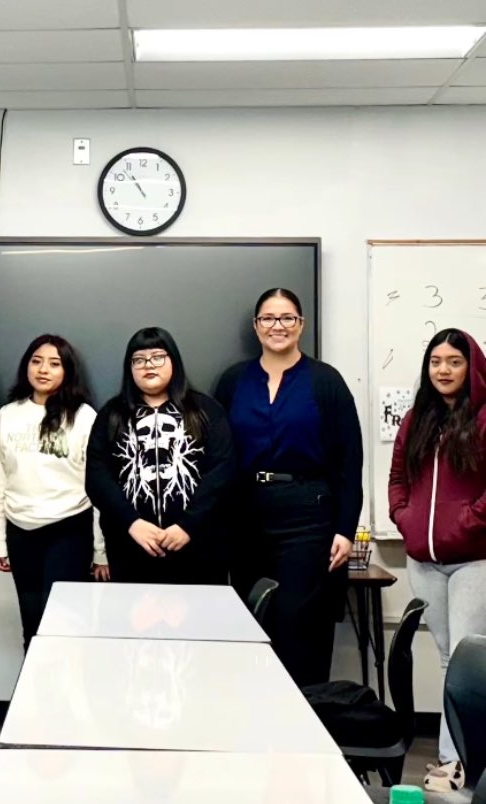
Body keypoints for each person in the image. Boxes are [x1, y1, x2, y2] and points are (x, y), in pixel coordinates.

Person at [215, 288, 362, 688]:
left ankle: (305, 735)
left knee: (301, 626)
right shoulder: (233, 381)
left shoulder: (325, 381)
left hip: (308, 516)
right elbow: (218, 455)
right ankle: (254, 727)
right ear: (256, 326)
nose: (277, 326)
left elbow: (350, 461)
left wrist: (345, 529)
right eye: (268, 318)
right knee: (252, 622)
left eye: (286, 318)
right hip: (246, 517)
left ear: (301, 324)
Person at [389, 328, 486, 794]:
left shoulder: (485, 418)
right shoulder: (417, 419)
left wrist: (464, 524)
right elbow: (397, 479)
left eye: (453, 362)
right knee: (448, 658)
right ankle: (455, 761)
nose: (443, 370)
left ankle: (460, 762)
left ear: (472, 368)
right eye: (435, 362)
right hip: (422, 561)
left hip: (473, 559)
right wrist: (404, 520)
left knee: (467, 661)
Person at [0, 334, 108, 650]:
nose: (43, 370)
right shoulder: (8, 415)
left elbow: (98, 487)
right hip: (20, 531)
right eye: (36, 361)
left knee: (63, 627)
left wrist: (100, 549)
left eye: (54, 364)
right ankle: (35, 698)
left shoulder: (84, 417)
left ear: (67, 371)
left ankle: (66, 698)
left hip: (69, 529)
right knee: (32, 627)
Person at [85, 326, 236, 584]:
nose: (148, 365)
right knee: (135, 622)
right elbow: (97, 477)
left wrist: (188, 525)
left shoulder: (206, 411)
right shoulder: (112, 414)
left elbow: (223, 471)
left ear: (173, 361)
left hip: (199, 547)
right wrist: (132, 523)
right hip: (131, 546)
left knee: (199, 622)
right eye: (139, 360)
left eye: (157, 357)